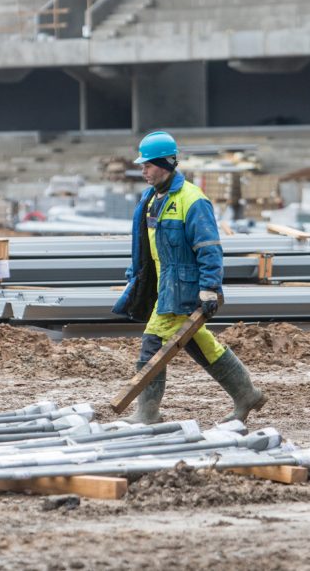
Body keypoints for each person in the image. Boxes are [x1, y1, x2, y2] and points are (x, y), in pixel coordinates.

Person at [113, 131, 267, 424]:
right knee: (199, 343)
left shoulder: (193, 200)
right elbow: (147, 248)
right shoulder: (150, 199)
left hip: (182, 291)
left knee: (153, 343)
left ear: (166, 164)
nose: (142, 170)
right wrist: (138, 278)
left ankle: (147, 413)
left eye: (148, 165)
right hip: (163, 287)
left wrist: (209, 289)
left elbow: (209, 249)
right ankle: (246, 393)